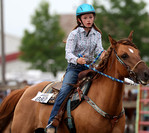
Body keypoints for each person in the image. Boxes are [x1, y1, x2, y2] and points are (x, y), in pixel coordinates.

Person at [46, 3, 105, 133]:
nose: (89, 20)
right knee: (65, 90)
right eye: (85, 18)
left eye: (90, 17)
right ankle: (52, 122)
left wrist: (103, 54)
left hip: (90, 68)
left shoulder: (97, 35)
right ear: (79, 20)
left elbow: (99, 50)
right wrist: (77, 60)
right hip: (75, 68)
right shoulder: (74, 34)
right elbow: (68, 53)